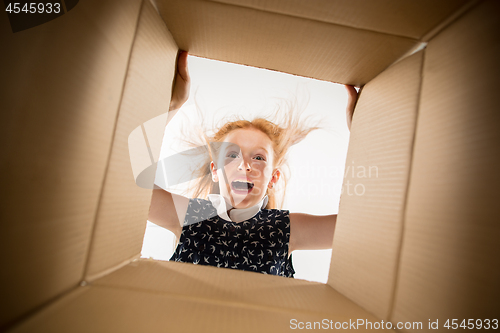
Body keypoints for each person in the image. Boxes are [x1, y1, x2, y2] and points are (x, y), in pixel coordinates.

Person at [148, 51, 359, 278]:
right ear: (215, 171)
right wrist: (171, 104)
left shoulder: (286, 229)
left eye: (258, 158)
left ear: (273, 178)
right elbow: (119, 180)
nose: (244, 165)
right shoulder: (188, 215)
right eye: (232, 155)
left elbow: (362, 225)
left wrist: (363, 132)